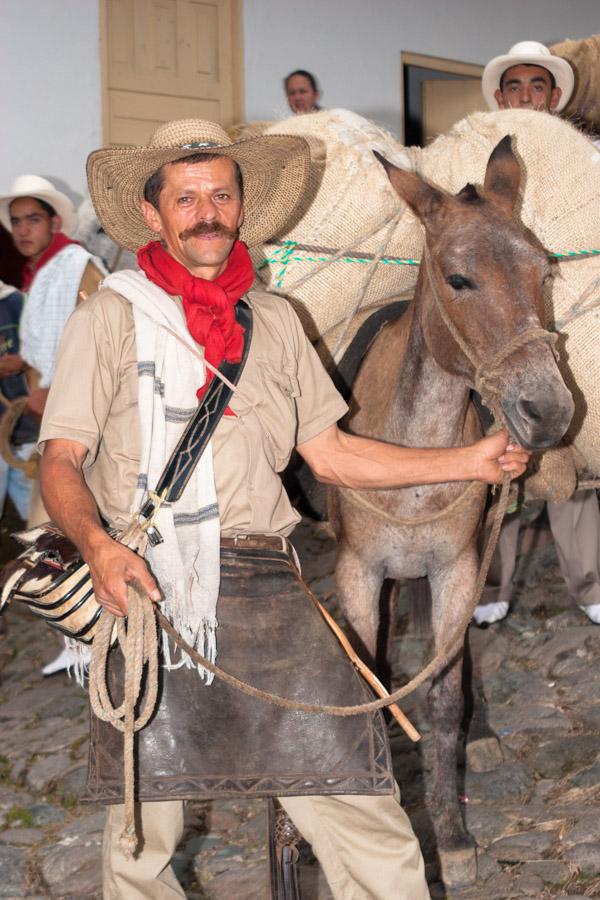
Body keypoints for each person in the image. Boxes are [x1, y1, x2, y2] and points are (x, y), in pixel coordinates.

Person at [37, 118, 529, 899]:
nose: (206, 212)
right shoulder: (110, 318)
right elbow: (58, 461)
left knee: (361, 802)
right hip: (151, 589)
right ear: (156, 215)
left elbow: (331, 456)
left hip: (271, 581)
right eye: (186, 197)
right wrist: (98, 546)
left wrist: (467, 459)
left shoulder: (275, 323)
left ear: (241, 209)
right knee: (142, 835)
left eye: (221, 196)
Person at [476, 42, 600, 627]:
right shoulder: (475, 160)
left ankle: (590, 582)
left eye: (537, 87)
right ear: (502, 97)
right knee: (501, 452)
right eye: (516, 87)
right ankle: (490, 584)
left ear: (555, 97)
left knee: (575, 446)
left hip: (576, 317)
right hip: (506, 329)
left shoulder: (587, 156)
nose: (526, 96)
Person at [0, 175, 105, 674]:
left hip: (75, 418)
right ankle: (77, 635)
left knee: (60, 524)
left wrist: (53, 388)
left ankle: (86, 636)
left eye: (32, 219)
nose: (23, 229)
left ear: (54, 222)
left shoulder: (77, 267)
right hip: (53, 417)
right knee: (48, 528)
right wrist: (26, 366)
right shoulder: (41, 272)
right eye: (17, 220)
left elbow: (98, 338)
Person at [0, 280, 37, 521]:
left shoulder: (17, 302)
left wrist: (25, 359)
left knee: (41, 520)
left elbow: (49, 346)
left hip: (25, 428)